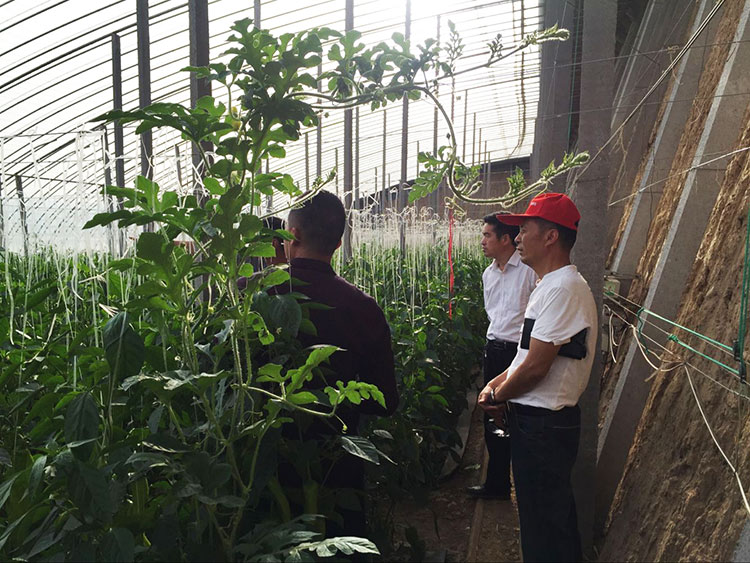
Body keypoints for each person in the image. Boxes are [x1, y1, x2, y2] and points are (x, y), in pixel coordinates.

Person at [478, 192, 597, 562]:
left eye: (524, 230)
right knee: (546, 520)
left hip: (545, 426)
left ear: (550, 237)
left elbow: (535, 368)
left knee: (545, 528)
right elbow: (526, 356)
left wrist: (499, 396)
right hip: (539, 424)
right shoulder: (550, 285)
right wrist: (495, 383)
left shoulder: (563, 288)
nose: (517, 238)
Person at [281, 190, 399, 536]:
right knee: (342, 544)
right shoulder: (362, 307)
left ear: (292, 234)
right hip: (338, 464)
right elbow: (385, 401)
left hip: (265, 465)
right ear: (338, 242)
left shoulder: (250, 294)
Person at [467, 213, 536, 500]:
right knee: (492, 415)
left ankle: (525, 486)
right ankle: (497, 484)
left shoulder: (529, 272)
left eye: (487, 235)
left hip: (520, 353)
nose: (482, 241)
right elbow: (492, 314)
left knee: (521, 416)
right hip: (494, 349)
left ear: (505, 239)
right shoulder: (489, 274)